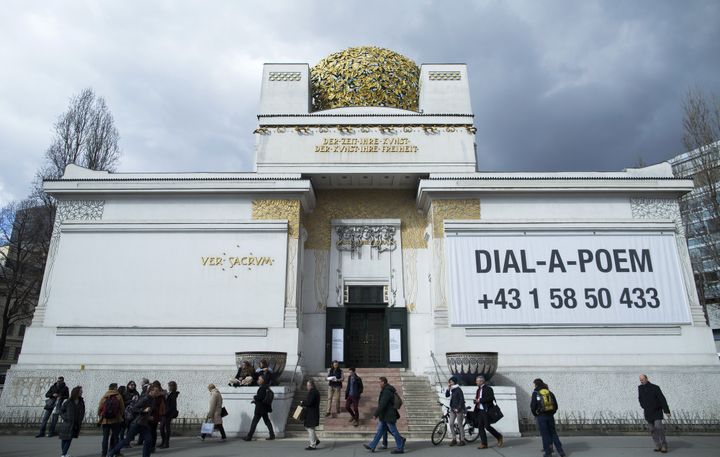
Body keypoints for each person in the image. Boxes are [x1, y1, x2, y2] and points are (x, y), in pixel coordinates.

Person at [108, 383, 159, 457]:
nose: (157, 393)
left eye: (158, 391)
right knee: (127, 441)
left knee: (148, 440)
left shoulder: (153, 399)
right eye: (156, 391)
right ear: (151, 391)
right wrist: (143, 410)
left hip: (144, 424)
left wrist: (148, 417)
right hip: (137, 424)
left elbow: (147, 412)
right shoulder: (145, 398)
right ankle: (111, 453)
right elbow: (134, 408)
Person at [363, 376, 405, 454]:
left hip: (389, 415)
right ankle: (372, 445)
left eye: (379, 382)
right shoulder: (386, 390)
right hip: (384, 415)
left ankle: (400, 447)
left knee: (394, 431)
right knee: (379, 431)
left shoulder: (387, 391)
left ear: (383, 382)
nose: (379, 384)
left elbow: (382, 404)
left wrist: (375, 414)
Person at [531, 378, 565, 457]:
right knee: (553, 433)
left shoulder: (535, 393)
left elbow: (533, 406)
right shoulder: (549, 392)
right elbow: (555, 406)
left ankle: (548, 453)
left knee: (545, 435)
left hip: (541, 417)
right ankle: (561, 451)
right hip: (550, 416)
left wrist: (536, 414)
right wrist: (552, 413)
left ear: (536, 384)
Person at [638, 374, 671, 453]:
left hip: (657, 411)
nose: (641, 381)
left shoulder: (655, 387)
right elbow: (640, 398)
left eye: (642, 379)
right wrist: (643, 406)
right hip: (648, 412)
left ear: (646, 378)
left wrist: (666, 411)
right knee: (652, 429)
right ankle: (658, 445)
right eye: (640, 380)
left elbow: (662, 399)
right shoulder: (640, 388)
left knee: (658, 427)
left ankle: (664, 445)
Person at [474, 375, 503, 449]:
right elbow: (478, 399)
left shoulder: (488, 388)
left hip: (486, 410)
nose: (476, 382)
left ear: (481, 381)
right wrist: (476, 401)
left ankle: (499, 436)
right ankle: (484, 444)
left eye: (477, 381)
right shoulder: (478, 390)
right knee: (480, 427)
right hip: (479, 410)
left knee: (487, 426)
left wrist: (480, 400)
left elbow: (490, 398)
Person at [243, 375, 276, 441]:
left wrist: (255, 397)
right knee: (267, 421)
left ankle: (249, 436)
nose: (258, 380)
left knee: (254, 422)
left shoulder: (262, 388)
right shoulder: (266, 387)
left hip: (260, 409)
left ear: (263, 380)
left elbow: (260, 397)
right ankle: (272, 435)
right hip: (264, 408)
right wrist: (255, 401)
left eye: (259, 379)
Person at [98, 382, 125, 457]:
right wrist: (119, 415)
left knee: (105, 438)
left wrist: (100, 415)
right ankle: (116, 452)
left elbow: (100, 407)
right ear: (115, 388)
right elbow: (122, 408)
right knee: (116, 437)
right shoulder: (119, 396)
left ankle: (104, 454)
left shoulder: (105, 396)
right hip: (116, 420)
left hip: (105, 420)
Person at [58, 385, 85, 457]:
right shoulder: (68, 401)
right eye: (80, 391)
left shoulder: (81, 401)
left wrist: (80, 419)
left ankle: (64, 454)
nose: (82, 392)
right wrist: (65, 417)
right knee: (65, 439)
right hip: (67, 423)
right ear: (76, 392)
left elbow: (82, 412)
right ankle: (63, 454)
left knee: (69, 438)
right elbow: (61, 411)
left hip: (75, 424)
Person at [444, 376, 466, 446]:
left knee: (460, 425)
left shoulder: (458, 389)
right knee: (451, 424)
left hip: (459, 409)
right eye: (449, 382)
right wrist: (448, 388)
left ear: (454, 382)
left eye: (451, 382)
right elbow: (446, 395)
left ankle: (462, 440)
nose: (450, 383)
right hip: (453, 409)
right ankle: (454, 439)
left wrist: (458, 408)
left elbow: (462, 400)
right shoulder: (452, 389)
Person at [301, 379, 320, 450]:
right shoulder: (315, 391)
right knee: (308, 427)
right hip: (312, 412)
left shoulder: (312, 392)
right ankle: (316, 440)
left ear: (310, 385)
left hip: (312, 413)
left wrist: (303, 402)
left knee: (310, 428)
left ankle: (312, 445)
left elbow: (309, 402)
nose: (307, 387)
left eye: (307, 385)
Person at [159, 380, 179, 449]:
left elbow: (172, 406)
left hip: (168, 413)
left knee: (166, 428)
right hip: (165, 413)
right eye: (169, 386)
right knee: (161, 427)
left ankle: (166, 443)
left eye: (171, 386)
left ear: (174, 387)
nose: (170, 387)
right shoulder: (169, 393)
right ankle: (163, 442)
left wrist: (166, 412)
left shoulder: (173, 394)